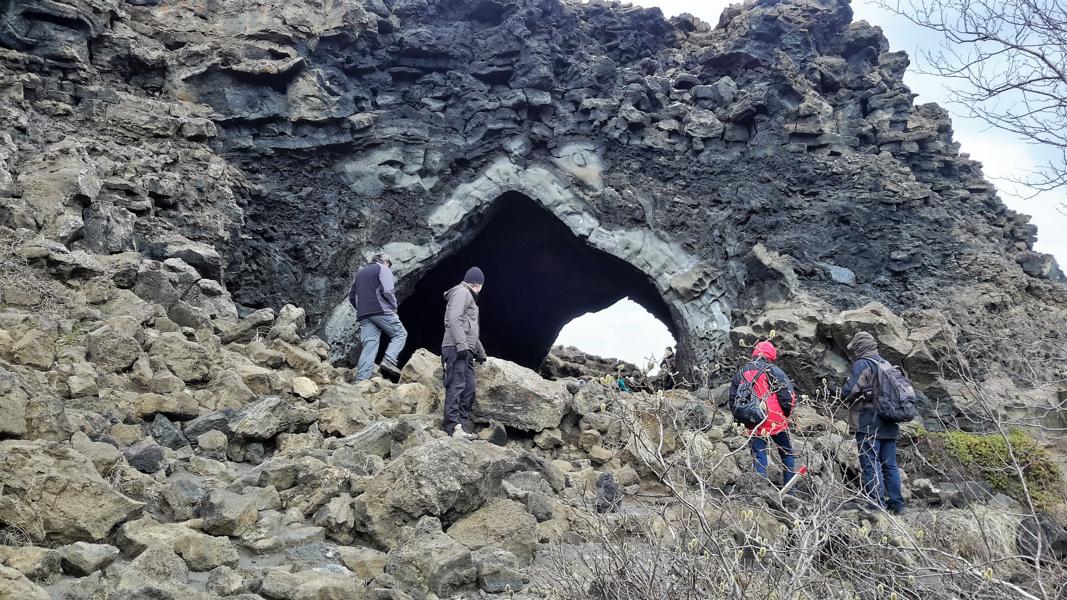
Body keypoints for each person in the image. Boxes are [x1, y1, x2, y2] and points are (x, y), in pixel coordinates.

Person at [841, 331, 905, 515]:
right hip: (889, 421)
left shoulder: (863, 364)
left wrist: (843, 390)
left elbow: (850, 390)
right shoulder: (886, 363)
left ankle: (876, 506)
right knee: (890, 465)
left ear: (860, 347)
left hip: (868, 422)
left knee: (870, 463)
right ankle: (897, 505)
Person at [729, 341, 797, 486]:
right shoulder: (774, 370)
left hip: (753, 419)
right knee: (787, 453)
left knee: (759, 455)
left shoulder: (741, 373)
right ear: (771, 354)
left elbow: (733, 400)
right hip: (774, 418)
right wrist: (786, 414)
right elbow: (787, 396)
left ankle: (760, 491)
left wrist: (741, 420)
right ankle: (790, 491)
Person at [441, 267, 487, 439]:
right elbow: (454, 318)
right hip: (455, 347)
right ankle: (453, 427)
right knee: (456, 385)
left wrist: (480, 352)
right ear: (479, 284)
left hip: (465, 349)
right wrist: (461, 344)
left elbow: (471, 329)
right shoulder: (461, 292)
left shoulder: (470, 298)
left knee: (469, 388)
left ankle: (462, 426)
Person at [351, 252, 407, 382]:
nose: (389, 266)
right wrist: (394, 306)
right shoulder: (383, 268)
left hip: (364, 314)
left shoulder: (360, 273)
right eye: (389, 264)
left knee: (369, 346)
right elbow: (388, 290)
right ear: (384, 261)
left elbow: (352, 296)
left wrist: (361, 308)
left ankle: (361, 380)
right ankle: (389, 360)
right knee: (400, 334)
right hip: (381, 310)